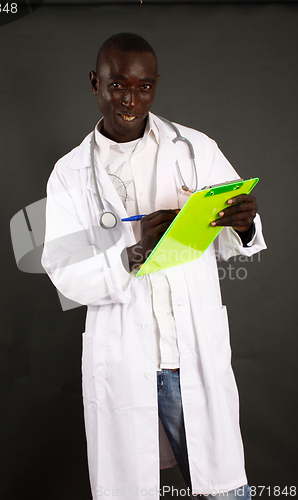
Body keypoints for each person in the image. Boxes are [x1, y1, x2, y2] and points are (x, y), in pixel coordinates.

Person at [41, 33, 266, 499]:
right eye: (118, 85)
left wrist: (243, 225)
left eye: (144, 87)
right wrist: (132, 253)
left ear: (156, 85)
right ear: (94, 83)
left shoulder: (196, 149)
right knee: (130, 490)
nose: (130, 100)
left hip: (193, 354)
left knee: (223, 489)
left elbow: (233, 234)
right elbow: (63, 273)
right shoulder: (70, 173)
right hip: (127, 358)